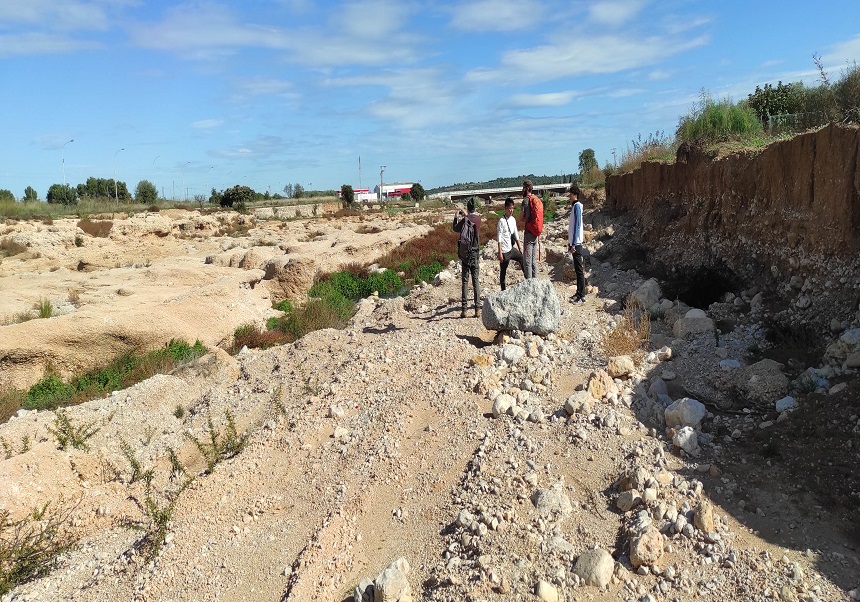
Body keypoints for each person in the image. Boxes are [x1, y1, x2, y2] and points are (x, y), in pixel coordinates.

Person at [453, 198, 482, 317]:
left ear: (467, 208)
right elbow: (473, 219)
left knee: (465, 282)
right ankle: (477, 309)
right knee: (475, 281)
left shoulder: (465, 220)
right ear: (475, 208)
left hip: (465, 255)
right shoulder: (479, 219)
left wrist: (456, 216)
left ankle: (464, 310)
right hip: (475, 253)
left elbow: (455, 228)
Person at [497, 196, 523, 290]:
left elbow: (516, 233)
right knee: (503, 272)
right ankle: (503, 290)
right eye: (509, 208)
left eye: (512, 208)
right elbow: (499, 237)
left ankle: (528, 281)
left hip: (511, 249)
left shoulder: (513, 219)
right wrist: (500, 253)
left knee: (522, 259)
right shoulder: (501, 221)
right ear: (505, 208)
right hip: (504, 251)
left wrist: (520, 247)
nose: (511, 210)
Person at [567, 185, 586, 303]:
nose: (569, 197)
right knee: (577, 269)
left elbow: (577, 225)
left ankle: (581, 295)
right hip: (574, 243)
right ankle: (578, 292)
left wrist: (573, 243)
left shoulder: (577, 207)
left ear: (574, 195)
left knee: (579, 270)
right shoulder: (575, 207)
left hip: (577, 243)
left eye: (570, 194)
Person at [521, 179, 543, 279]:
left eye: (523, 188)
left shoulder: (526, 200)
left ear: (526, 188)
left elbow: (522, 217)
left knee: (527, 261)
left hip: (529, 233)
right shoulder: (535, 199)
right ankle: (536, 283)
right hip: (535, 233)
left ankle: (530, 285)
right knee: (534, 261)